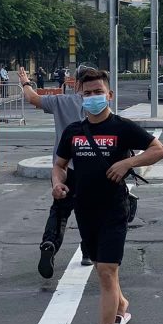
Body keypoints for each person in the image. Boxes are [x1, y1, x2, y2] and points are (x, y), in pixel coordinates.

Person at [52, 69, 163, 324]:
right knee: (106, 274)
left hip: (114, 210)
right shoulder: (73, 132)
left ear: (109, 95)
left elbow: (159, 150)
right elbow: (60, 164)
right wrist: (57, 182)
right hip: (83, 210)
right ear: (80, 96)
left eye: (98, 92)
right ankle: (122, 306)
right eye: (87, 93)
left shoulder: (122, 127)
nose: (93, 98)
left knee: (105, 271)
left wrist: (128, 161)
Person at [17, 63, 97, 277]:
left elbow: (32, 98)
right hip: (91, 168)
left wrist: (25, 81)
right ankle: (88, 251)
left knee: (60, 210)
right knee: (90, 212)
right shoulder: (100, 104)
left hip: (63, 167)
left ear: (75, 82)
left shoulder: (60, 101)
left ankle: (50, 243)